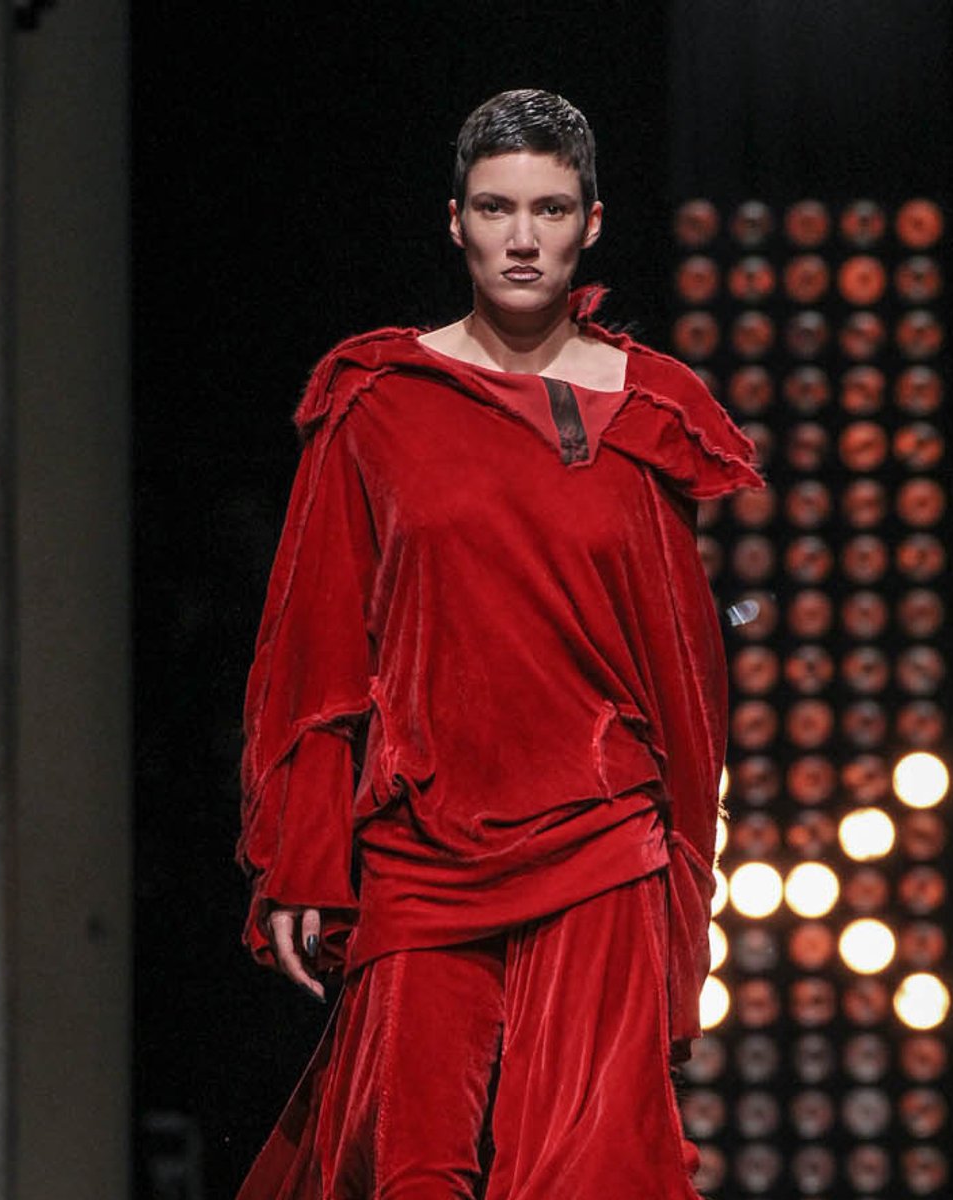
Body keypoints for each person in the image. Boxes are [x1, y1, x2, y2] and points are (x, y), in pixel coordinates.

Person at [235, 88, 761, 1200]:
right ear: (456, 222)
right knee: (409, 1169)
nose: (523, 238)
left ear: (592, 224)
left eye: (550, 210)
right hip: (423, 841)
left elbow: (683, 672)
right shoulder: (379, 402)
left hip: (601, 835)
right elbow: (317, 641)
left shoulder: (652, 410)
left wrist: (686, 892)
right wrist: (305, 851)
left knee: (590, 1174)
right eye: (496, 208)